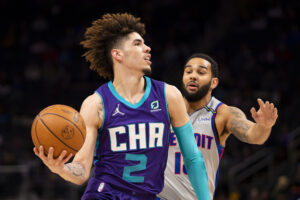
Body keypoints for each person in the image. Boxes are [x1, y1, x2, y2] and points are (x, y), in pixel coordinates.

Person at [33, 13, 209, 200]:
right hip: (105, 194)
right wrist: (61, 168)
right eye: (137, 44)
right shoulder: (96, 104)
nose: (147, 48)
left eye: (144, 43)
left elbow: (192, 158)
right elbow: (82, 169)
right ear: (117, 54)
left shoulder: (169, 95)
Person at [158, 53, 278, 200]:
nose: (193, 76)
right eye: (188, 71)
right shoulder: (163, 108)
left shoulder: (223, 114)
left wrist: (264, 126)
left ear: (213, 82)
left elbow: (254, 135)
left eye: (201, 72)